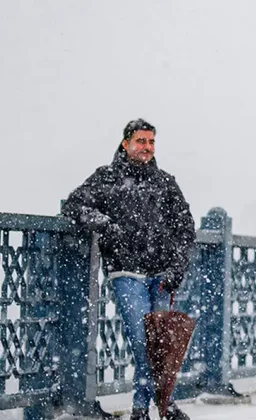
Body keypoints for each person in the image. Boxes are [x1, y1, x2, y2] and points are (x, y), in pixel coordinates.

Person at [62, 119, 195, 420]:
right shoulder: (107, 178)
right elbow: (74, 205)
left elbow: (185, 227)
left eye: (151, 142)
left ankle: (149, 408)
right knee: (144, 342)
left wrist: (177, 267)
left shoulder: (165, 182)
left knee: (161, 346)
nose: (147, 147)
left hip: (161, 276)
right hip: (126, 274)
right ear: (126, 143)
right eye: (141, 141)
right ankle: (152, 407)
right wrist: (106, 225)